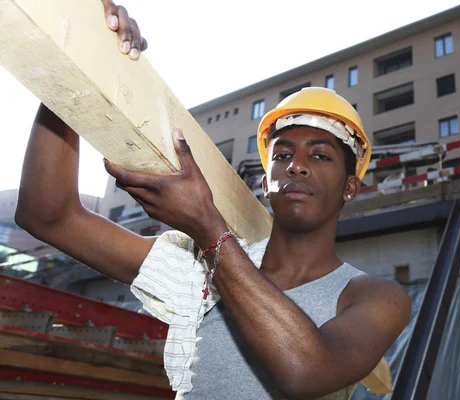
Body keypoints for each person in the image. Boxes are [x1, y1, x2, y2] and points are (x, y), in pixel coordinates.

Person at [15, 1, 411, 399]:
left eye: (320, 155)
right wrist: (76, 70)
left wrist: (208, 227)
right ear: (268, 179)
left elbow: (307, 371)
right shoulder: (197, 272)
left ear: (349, 188)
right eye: (283, 154)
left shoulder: (375, 296)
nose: (296, 166)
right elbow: (48, 216)